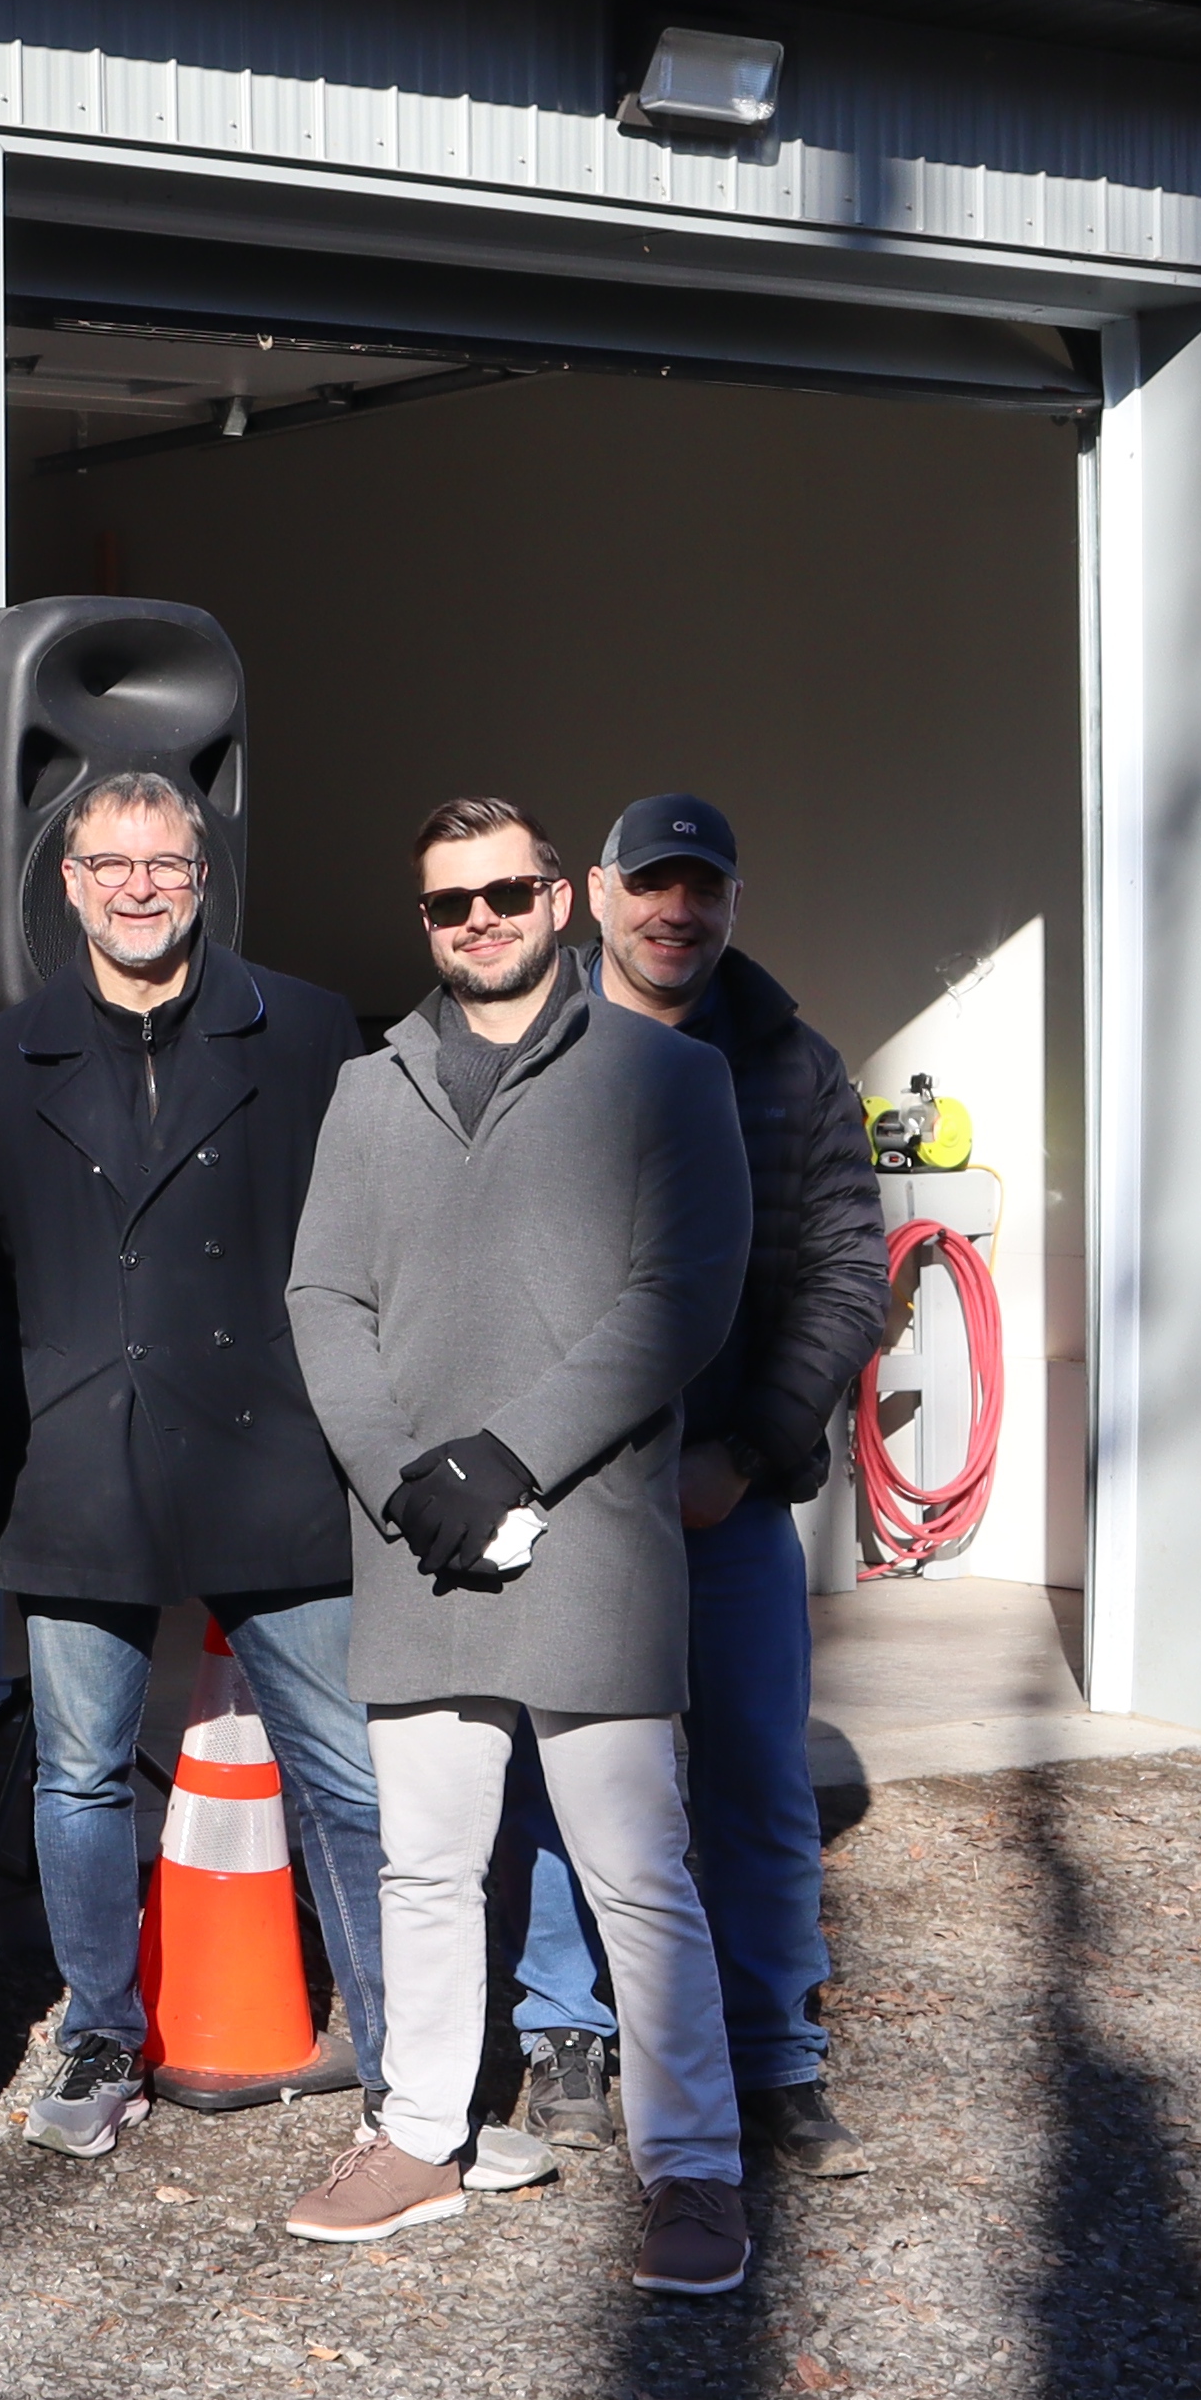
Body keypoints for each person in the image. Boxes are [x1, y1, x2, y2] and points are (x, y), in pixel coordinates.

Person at [279, 797, 760, 2299]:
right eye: (447, 905)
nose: (477, 922)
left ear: (562, 900)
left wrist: (513, 1455)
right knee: (424, 1862)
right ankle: (421, 2131)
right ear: (423, 924)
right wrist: (399, 1476)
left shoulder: (668, 1079)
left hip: (594, 1544)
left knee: (637, 1869)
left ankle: (692, 2166)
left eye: (503, 894)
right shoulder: (370, 1092)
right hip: (413, 1541)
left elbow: (685, 1292)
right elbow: (321, 1301)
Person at [0, 768, 394, 2163]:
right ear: (69, 884)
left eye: (167, 861)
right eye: (110, 863)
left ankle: (404, 2044)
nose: (139, 885)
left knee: (346, 1769)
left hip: (273, 1450)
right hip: (78, 1454)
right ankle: (100, 2025)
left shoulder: (311, 1028)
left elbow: (373, 1242)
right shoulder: (2, 1055)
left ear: (204, 878)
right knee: (80, 1775)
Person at [497, 794, 885, 2176]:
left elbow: (848, 1282)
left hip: (727, 1506)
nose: (677, 912)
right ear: (594, 895)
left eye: (702, 889)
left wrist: (747, 1455)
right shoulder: (524, 1050)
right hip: (562, 1503)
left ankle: (774, 2051)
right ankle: (563, 2035)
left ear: (732, 901)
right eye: (650, 886)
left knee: (758, 1780)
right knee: (563, 1784)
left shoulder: (792, 1068)